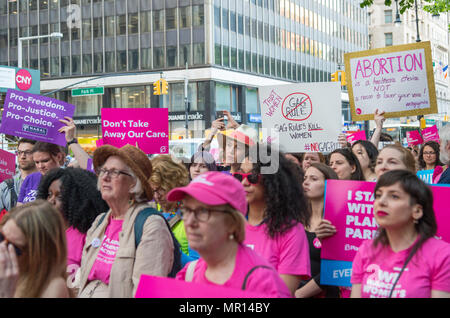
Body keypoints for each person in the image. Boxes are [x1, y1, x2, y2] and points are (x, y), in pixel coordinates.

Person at [168, 171, 291, 298]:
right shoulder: (189, 273)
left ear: (232, 222)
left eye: (203, 211)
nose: (189, 221)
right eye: (187, 210)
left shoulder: (264, 284)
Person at [77, 144, 177, 298]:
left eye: (115, 172)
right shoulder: (100, 221)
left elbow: (147, 293)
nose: (105, 177)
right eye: (103, 170)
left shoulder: (150, 225)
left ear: (133, 183)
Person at [351, 170, 450, 298]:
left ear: (417, 211)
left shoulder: (442, 255)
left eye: (394, 196)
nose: (381, 202)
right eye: (378, 195)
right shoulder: (367, 249)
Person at [235, 143, 311, 296]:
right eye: (240, 175)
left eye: (252, 177)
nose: (244, 182)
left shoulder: (291, 231)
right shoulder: (230, 223)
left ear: (272, 181)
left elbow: (282, 292)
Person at [36, 168, 109, 271]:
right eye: (49, 194)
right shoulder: (44, 231)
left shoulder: (87, 236)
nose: (51, 201)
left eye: (59, 196)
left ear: (76, 199)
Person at [0, 200, 70, 297]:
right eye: (1, 237)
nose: (2, 247)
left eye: (14, 248)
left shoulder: (54, 286)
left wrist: (5, 293)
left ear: (39, 253)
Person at [295, 163, 340, 298]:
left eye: (314, 179)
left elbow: (335, 268)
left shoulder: (337, 221)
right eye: (305, 178)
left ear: (329, 184)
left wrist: (299, 294)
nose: (306, 183)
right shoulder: (296, 217)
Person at [150, 155, 199, 265]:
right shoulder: (150, 209)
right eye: (153, 190)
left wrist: (173, 250)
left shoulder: (192, 216)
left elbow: (197, 265)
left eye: (161, 189)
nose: (156, 196)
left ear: (175, 185)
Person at [0, 138, 37, 212]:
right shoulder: (6, 186)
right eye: (19, 152)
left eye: (28, 152)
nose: (22, 156)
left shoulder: (47, 181)